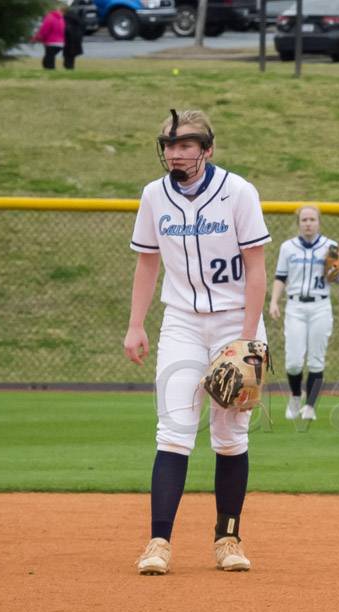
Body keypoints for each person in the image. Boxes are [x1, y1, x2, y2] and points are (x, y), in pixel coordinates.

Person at [124, 109, 271, 576]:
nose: (175, 152)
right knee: (174, 431)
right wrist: (136, 324)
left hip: (234, 322)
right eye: (169, 144)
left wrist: (248, 338)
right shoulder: (153, 195)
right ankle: (158, 543)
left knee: (230, 436)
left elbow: (256, 267)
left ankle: (228, 538)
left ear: (207, 150)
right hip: (182, 322)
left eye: (186, 144)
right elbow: (147, 263)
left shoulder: (238, 192)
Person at [268, 205, 339, 422]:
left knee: (316, 360)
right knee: (293, 361)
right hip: (295, 306)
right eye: (304, 219)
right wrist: (274, 302)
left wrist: (336, 273)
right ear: (298, 223)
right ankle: (294, 397)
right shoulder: (287, 247)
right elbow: (280, 276)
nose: (308, 223)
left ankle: (310, 407)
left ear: (319, 222)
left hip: (320, 305)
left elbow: (337, 278)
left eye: (312, 219)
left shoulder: (331, 247)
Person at [31, 2, 66, 70]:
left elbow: (44, 30)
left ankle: (50, 70)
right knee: (49, 57)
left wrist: (36, 38)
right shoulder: (60, 19)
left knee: (48, 60)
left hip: (51, 42)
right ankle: (51, 70)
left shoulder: (49, 18)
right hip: (60, 43)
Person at [62, 0, 84, 70]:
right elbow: (82, 26)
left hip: (70, 39)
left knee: (68, 56)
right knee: (71, 56)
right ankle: (70, 67)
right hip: (76, 38)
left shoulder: (66, 17)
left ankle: (69, 67)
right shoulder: (74, 15)